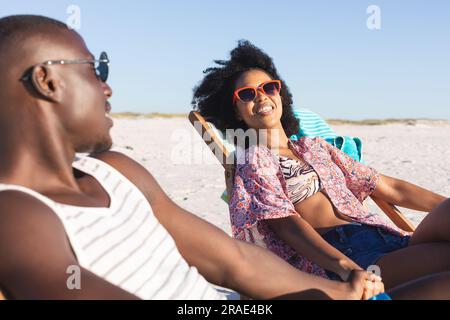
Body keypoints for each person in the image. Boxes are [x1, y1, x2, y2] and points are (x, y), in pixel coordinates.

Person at [0, 14, 387, 300]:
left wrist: (340, 293)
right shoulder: (15, 214)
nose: (108, 88)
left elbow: (234, 262)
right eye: (96, 68)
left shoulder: (118, 171)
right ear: (47, 81)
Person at [192, 40, 450, 290]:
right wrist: (346, 268)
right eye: (248, 94)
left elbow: (390, 188)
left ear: (279, 94)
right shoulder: (253, 160)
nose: (261, 97)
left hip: (387, 237)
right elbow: (286, 225)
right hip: (348, 258)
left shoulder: (315, 147)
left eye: (268, 87)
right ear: (236, 110)